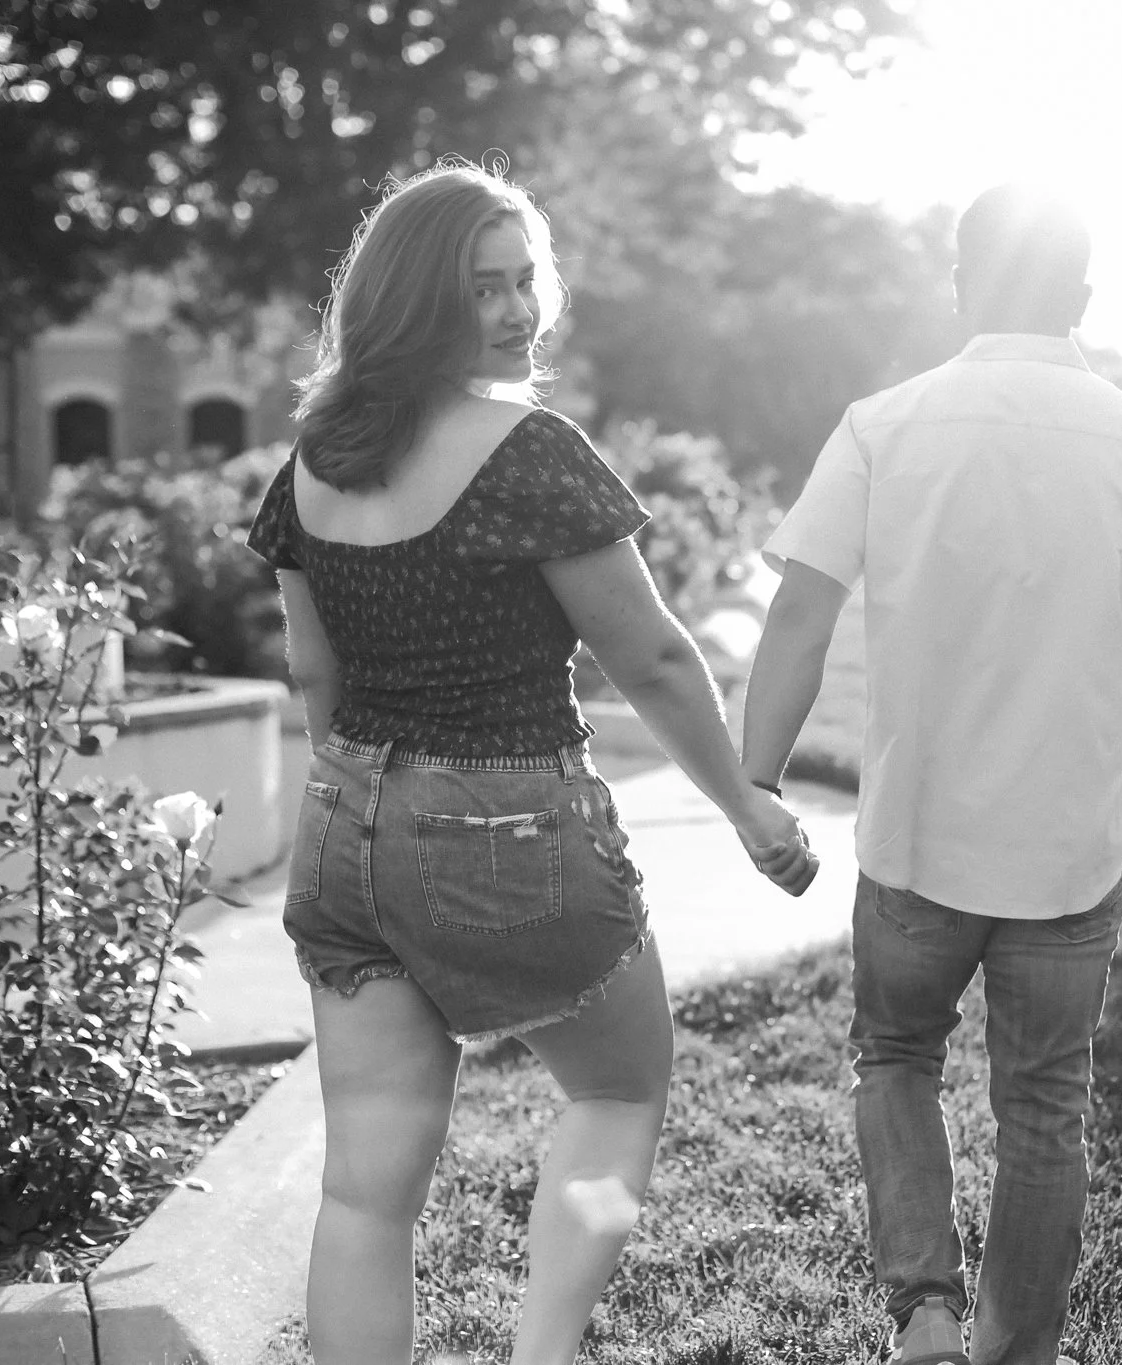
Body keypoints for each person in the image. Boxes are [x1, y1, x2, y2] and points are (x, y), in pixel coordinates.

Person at [245, 160, 817, 1365]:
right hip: (503, 824)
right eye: (482, 290)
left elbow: (314, 677)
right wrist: (749, 810)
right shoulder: (526, 450)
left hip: (345, 826)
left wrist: (352, 812)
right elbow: (654, 659)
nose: (515, 313)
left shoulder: (308, 466)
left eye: (525, 283)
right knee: (616, 1097)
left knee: (366, 1188)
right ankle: (543, 1356)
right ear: (414, 303)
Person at [739, 182, 1122, 1365]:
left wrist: (756, 775)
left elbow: (800, 612)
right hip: (1070, 857)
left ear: (960, 286)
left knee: (896, 1057)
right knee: (1043, 1111)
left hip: (915, 839)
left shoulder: (883, 424)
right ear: (1083, 299)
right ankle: (1015, 1353)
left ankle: (924, 1310)